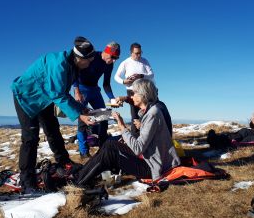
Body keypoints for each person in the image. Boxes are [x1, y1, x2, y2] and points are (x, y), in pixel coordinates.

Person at [11, 36, 96, 193]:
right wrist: (79, 115)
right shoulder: (59, 65)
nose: (90, 63)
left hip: (44, 99)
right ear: (79, 58)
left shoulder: (73, 66)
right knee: (30, 138)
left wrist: (80, 108)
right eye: (89, 60)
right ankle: (27, 180)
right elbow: (57, 94)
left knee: (53, 130)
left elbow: (62, 92)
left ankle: (64, 163)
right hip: (26, 97)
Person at [76, 79, 180, 186]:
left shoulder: (153, 113)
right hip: (151, 159)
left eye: (133, 93)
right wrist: (126, 137)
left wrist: (121, 125)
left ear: (143, 95)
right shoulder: (151, 110)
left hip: (153, 167)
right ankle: (82, 173)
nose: (131, 96)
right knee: (109, 144)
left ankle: (79, 181)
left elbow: (137, 149)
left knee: (111, 151)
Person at [74, 41, 120, 158]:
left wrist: (112, 99)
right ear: (106, 52)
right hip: (82, 88)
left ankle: (103, 147)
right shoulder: (92, 56)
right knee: (82, 120)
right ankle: (84, 152)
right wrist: (76, 90)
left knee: (104, 117)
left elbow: (106, 84)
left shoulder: (109, 64)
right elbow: (75, 71)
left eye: (117, 58)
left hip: (95, 89)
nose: (114, 60)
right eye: (113, 57)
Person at [114, 42, 154, 137]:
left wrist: (141, 76)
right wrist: (124, 81)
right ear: (131, 53)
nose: (139, 55)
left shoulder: (145, 61)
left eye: (140, 52)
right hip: (132, 91)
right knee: (135, 115)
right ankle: (135, 139)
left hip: (145, 91)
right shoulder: (125, 62)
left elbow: (152, 75)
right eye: (136, 53)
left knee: (148, 113)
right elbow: (116, 77)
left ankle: (148, 135)